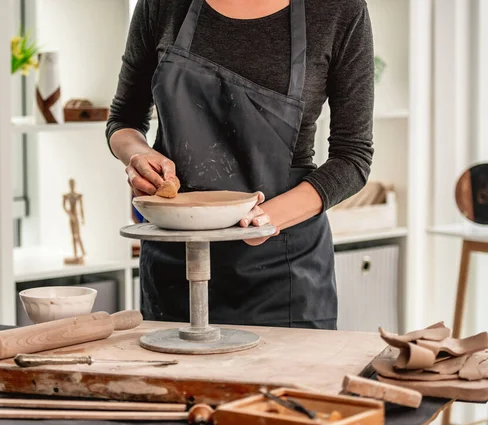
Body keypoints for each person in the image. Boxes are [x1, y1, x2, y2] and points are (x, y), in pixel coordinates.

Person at [106, 0, 374, 329]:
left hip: (281, 266)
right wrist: (137, 155)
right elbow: (123, 120)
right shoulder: (162, 5)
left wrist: (265, 219)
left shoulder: (338, 10)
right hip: (177, 263)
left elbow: (353, 156)